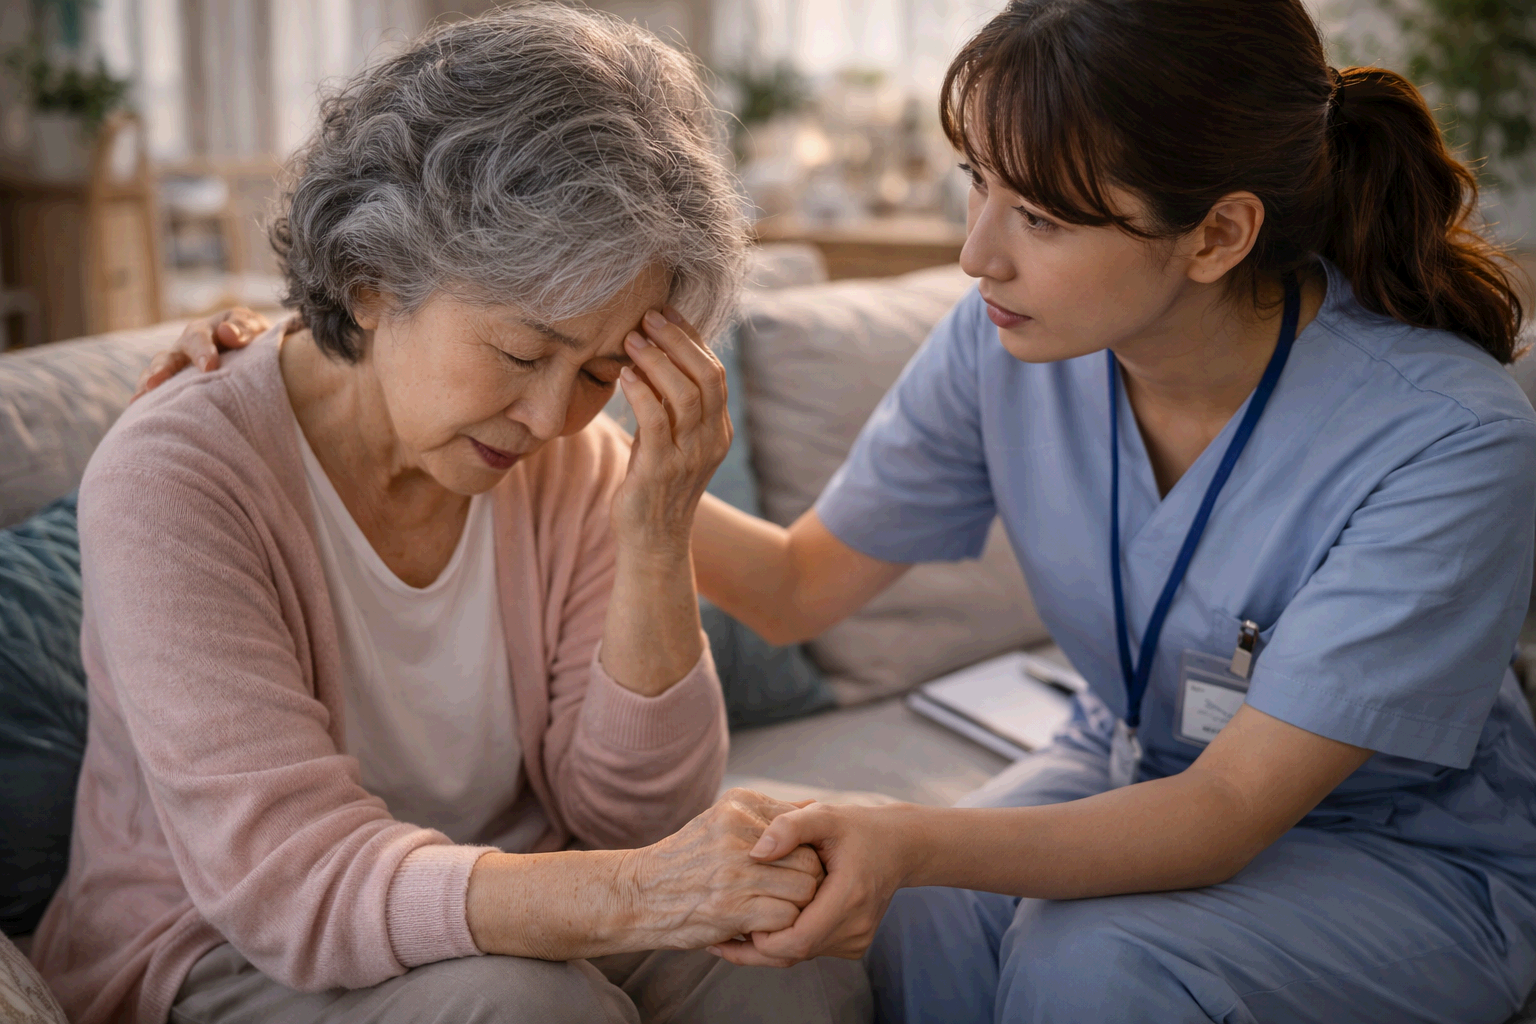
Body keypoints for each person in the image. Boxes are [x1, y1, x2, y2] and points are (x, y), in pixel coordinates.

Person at [150, 0, 1536, 1021]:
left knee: (1090, 961)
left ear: (1217, 235)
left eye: (1040, 216)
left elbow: (1232, 811)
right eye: (976, 185)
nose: (975, 250)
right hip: (1133, 769)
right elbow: (806, 588)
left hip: (1404, 850)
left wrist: (907, 830)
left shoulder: (1448, 439)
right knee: (901, 928)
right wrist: (379, 382)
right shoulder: (1003, 340)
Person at [35, 8, 872, 1024]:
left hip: (502, 900)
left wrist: (654, 528)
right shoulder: (179, 475)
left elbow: (631, 816)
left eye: (602, 370)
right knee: (526, 1007)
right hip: (217, 945)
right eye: (522, 355)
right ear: (375, 280)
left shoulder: (572, 460)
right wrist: (642, 895)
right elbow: (291, 882)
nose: (550, 415)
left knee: (794, 964)